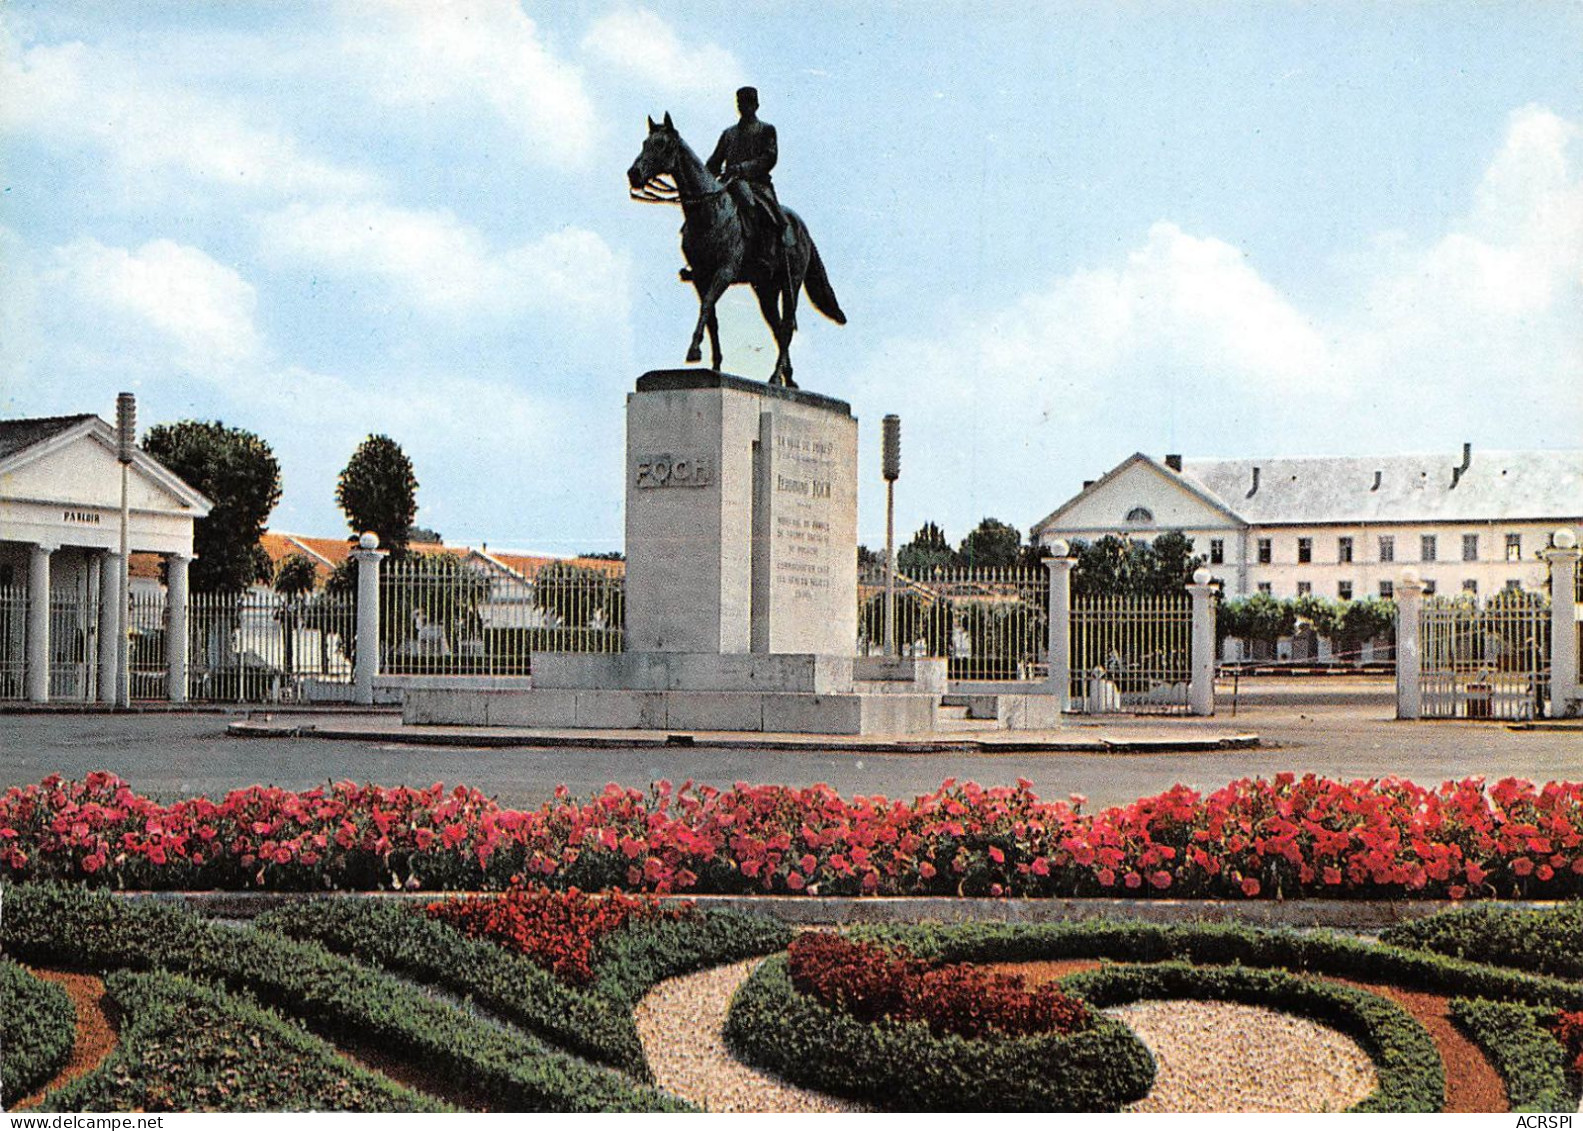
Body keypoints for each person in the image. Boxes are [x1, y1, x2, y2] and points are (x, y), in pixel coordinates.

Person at [706, 86, 793, 257]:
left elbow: (769, 158)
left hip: (757, 185)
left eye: (748, 103)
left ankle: (765, 253)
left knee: (761, 211)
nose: (743, 107)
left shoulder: (766, 130)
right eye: (740, 103)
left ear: (756, 105)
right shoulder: (728, 134)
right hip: (728, 184)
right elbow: (715, 162)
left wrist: (741, 168)